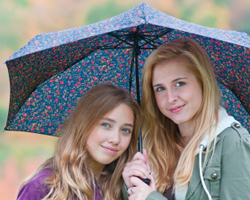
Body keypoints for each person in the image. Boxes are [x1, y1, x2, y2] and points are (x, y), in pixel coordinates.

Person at [122, 38, 250, 200]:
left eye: (179, 83)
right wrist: (131, 186)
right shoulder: (153, 146)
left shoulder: (232, 144)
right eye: (160, 88)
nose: (170, 98)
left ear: (203, 82)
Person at [17, 83, 141, 200]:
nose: (115, 139)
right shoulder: (42, 189)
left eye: (125, 130)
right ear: (83, 125)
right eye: (106, 125)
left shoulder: (126, 188)